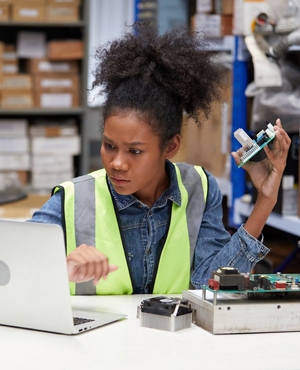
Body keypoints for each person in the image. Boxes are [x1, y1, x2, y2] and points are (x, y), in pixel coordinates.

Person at [30, 23, 291, 295]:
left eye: (135, 151)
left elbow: (211, 285)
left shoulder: (199, 189)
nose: (117, 163)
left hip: (172, 337)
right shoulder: (73, 199)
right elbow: (9, 265)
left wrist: (265, 201)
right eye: (109, 145)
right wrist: (60, 268)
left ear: (171, 147)